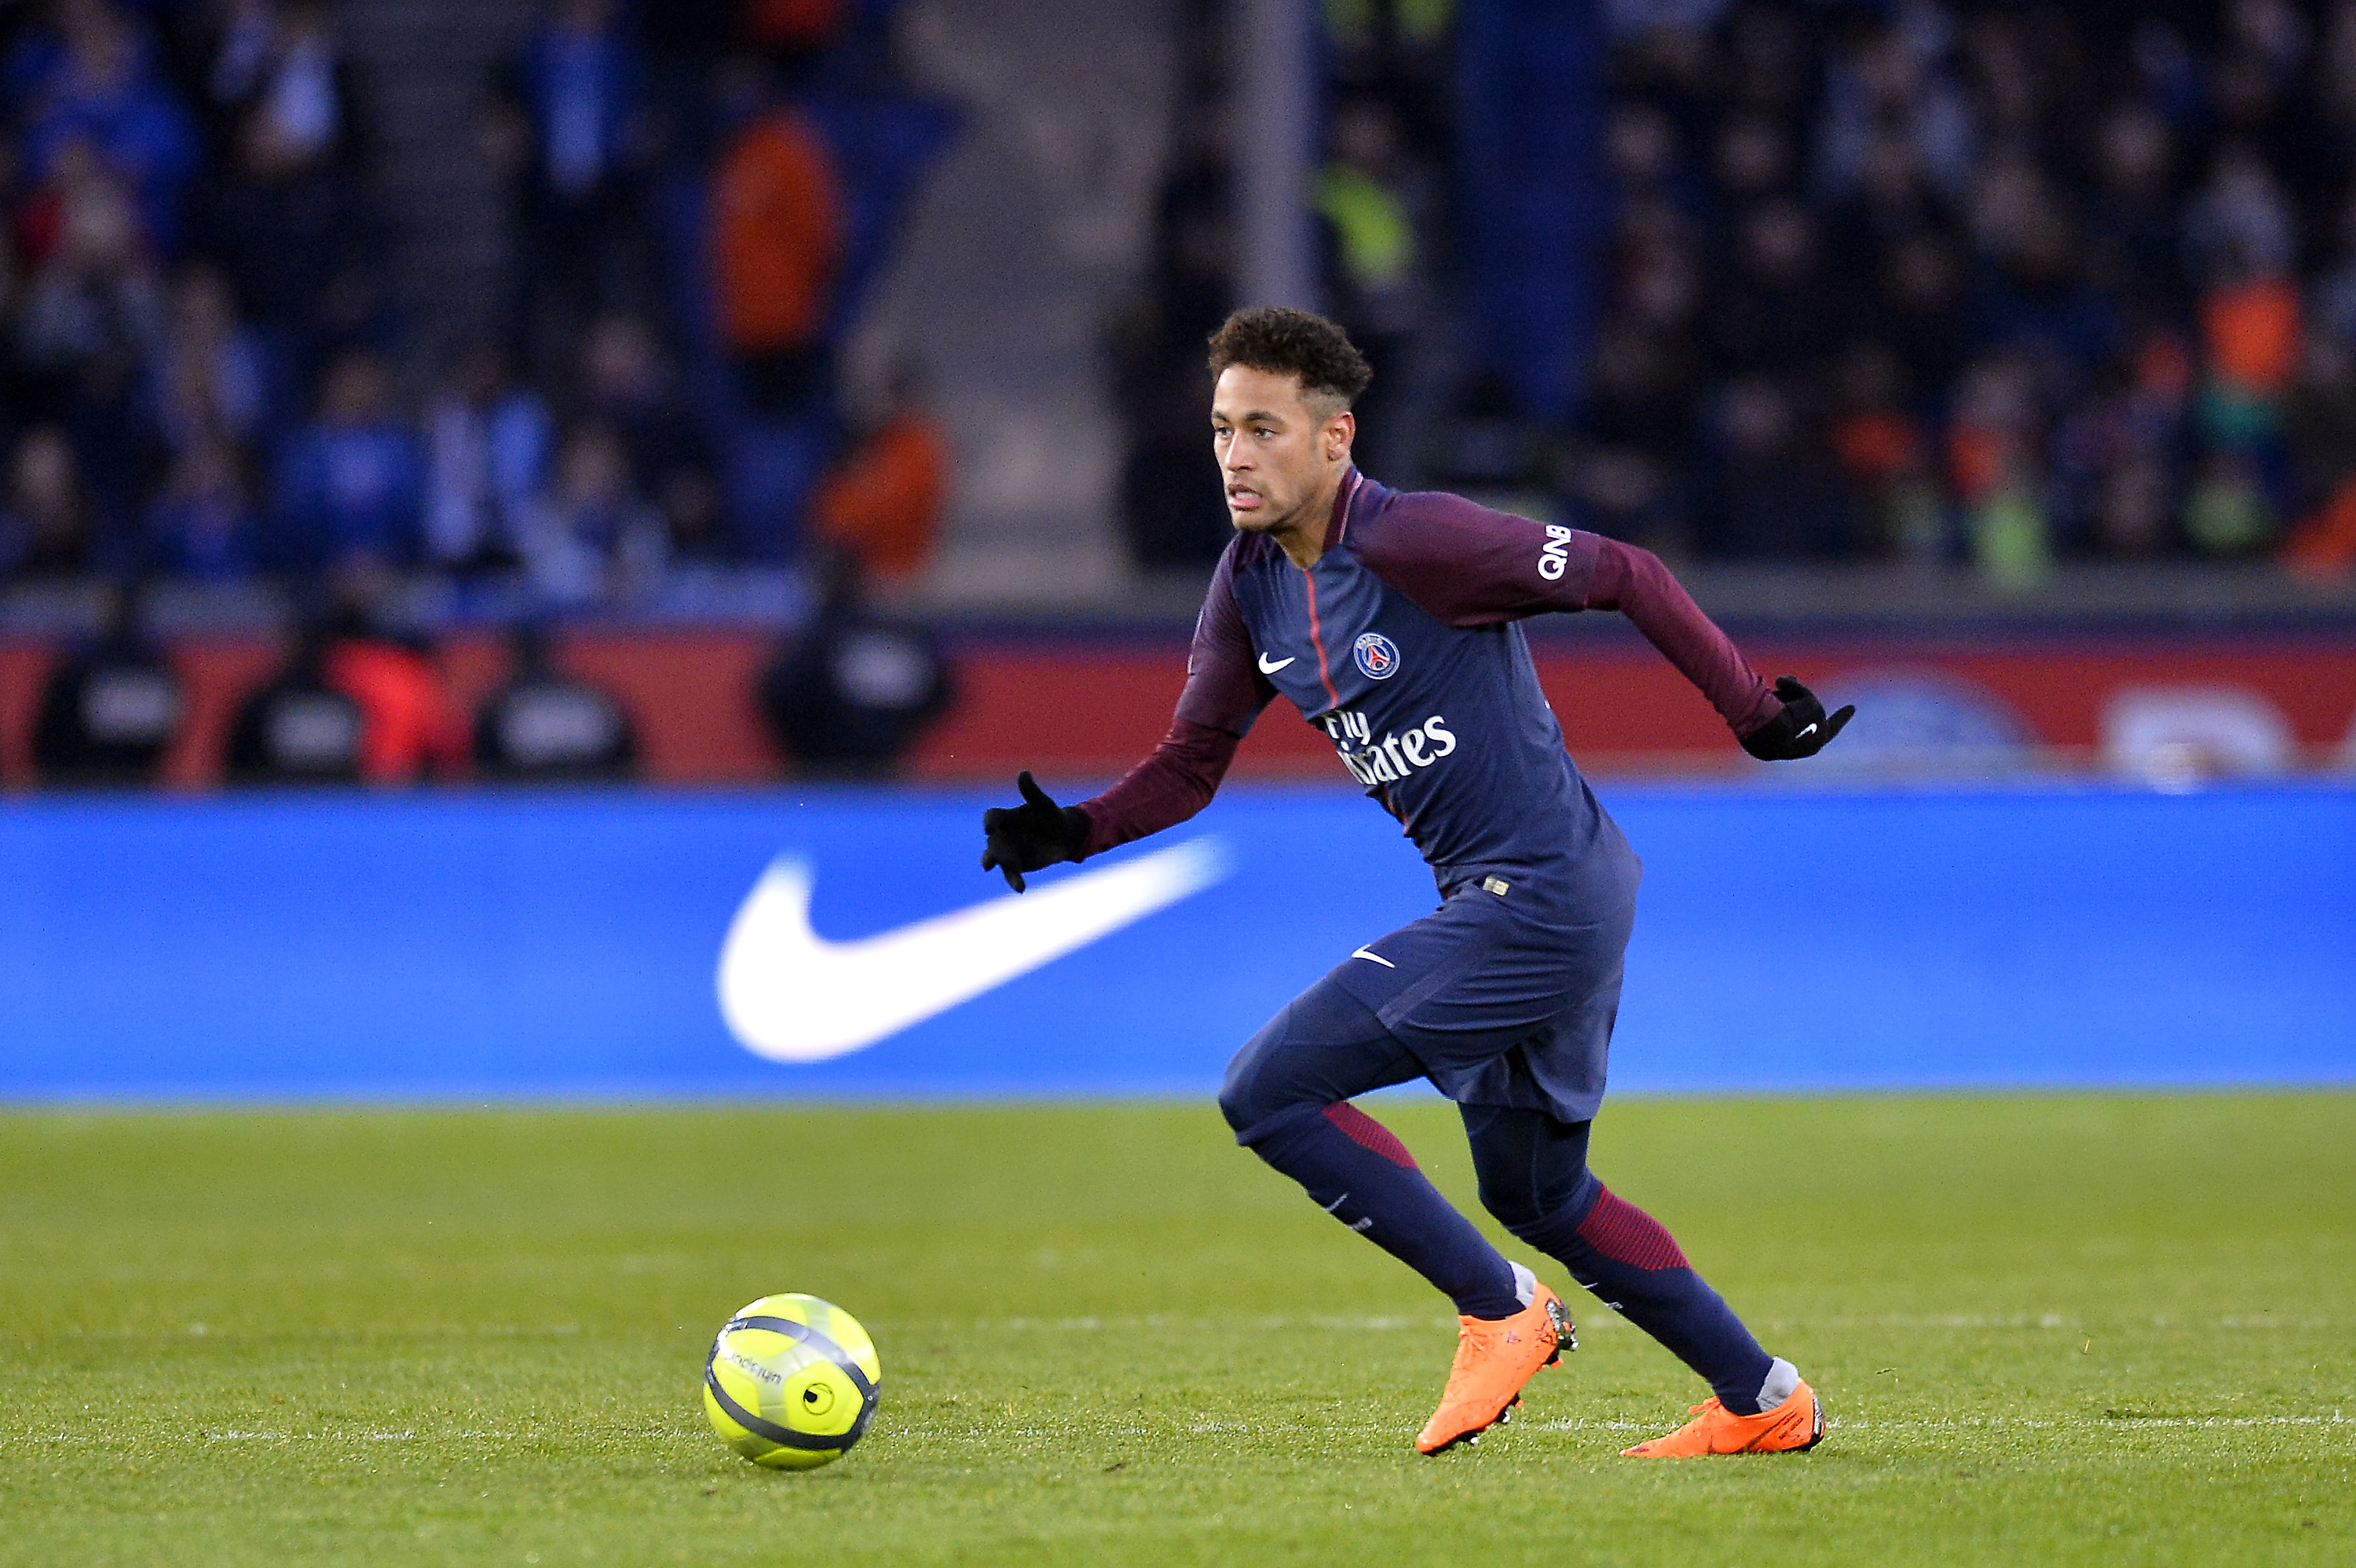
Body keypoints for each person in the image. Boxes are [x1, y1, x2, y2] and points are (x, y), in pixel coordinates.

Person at [977, 308, 1853, 1459]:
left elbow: (1624, 571)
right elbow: (1192, 765)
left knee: (1267, 1089)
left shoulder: (1420, 542)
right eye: (1221, 429)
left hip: (1540, 893)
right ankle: (1767, 1396)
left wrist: (1749, 708)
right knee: (1540, 1197)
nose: (1235, 455)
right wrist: (1075, 830)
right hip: (1528, 897)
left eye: (1264, 429)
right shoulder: (1248, 585)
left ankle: (1502, 1308)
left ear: (1335, 438)